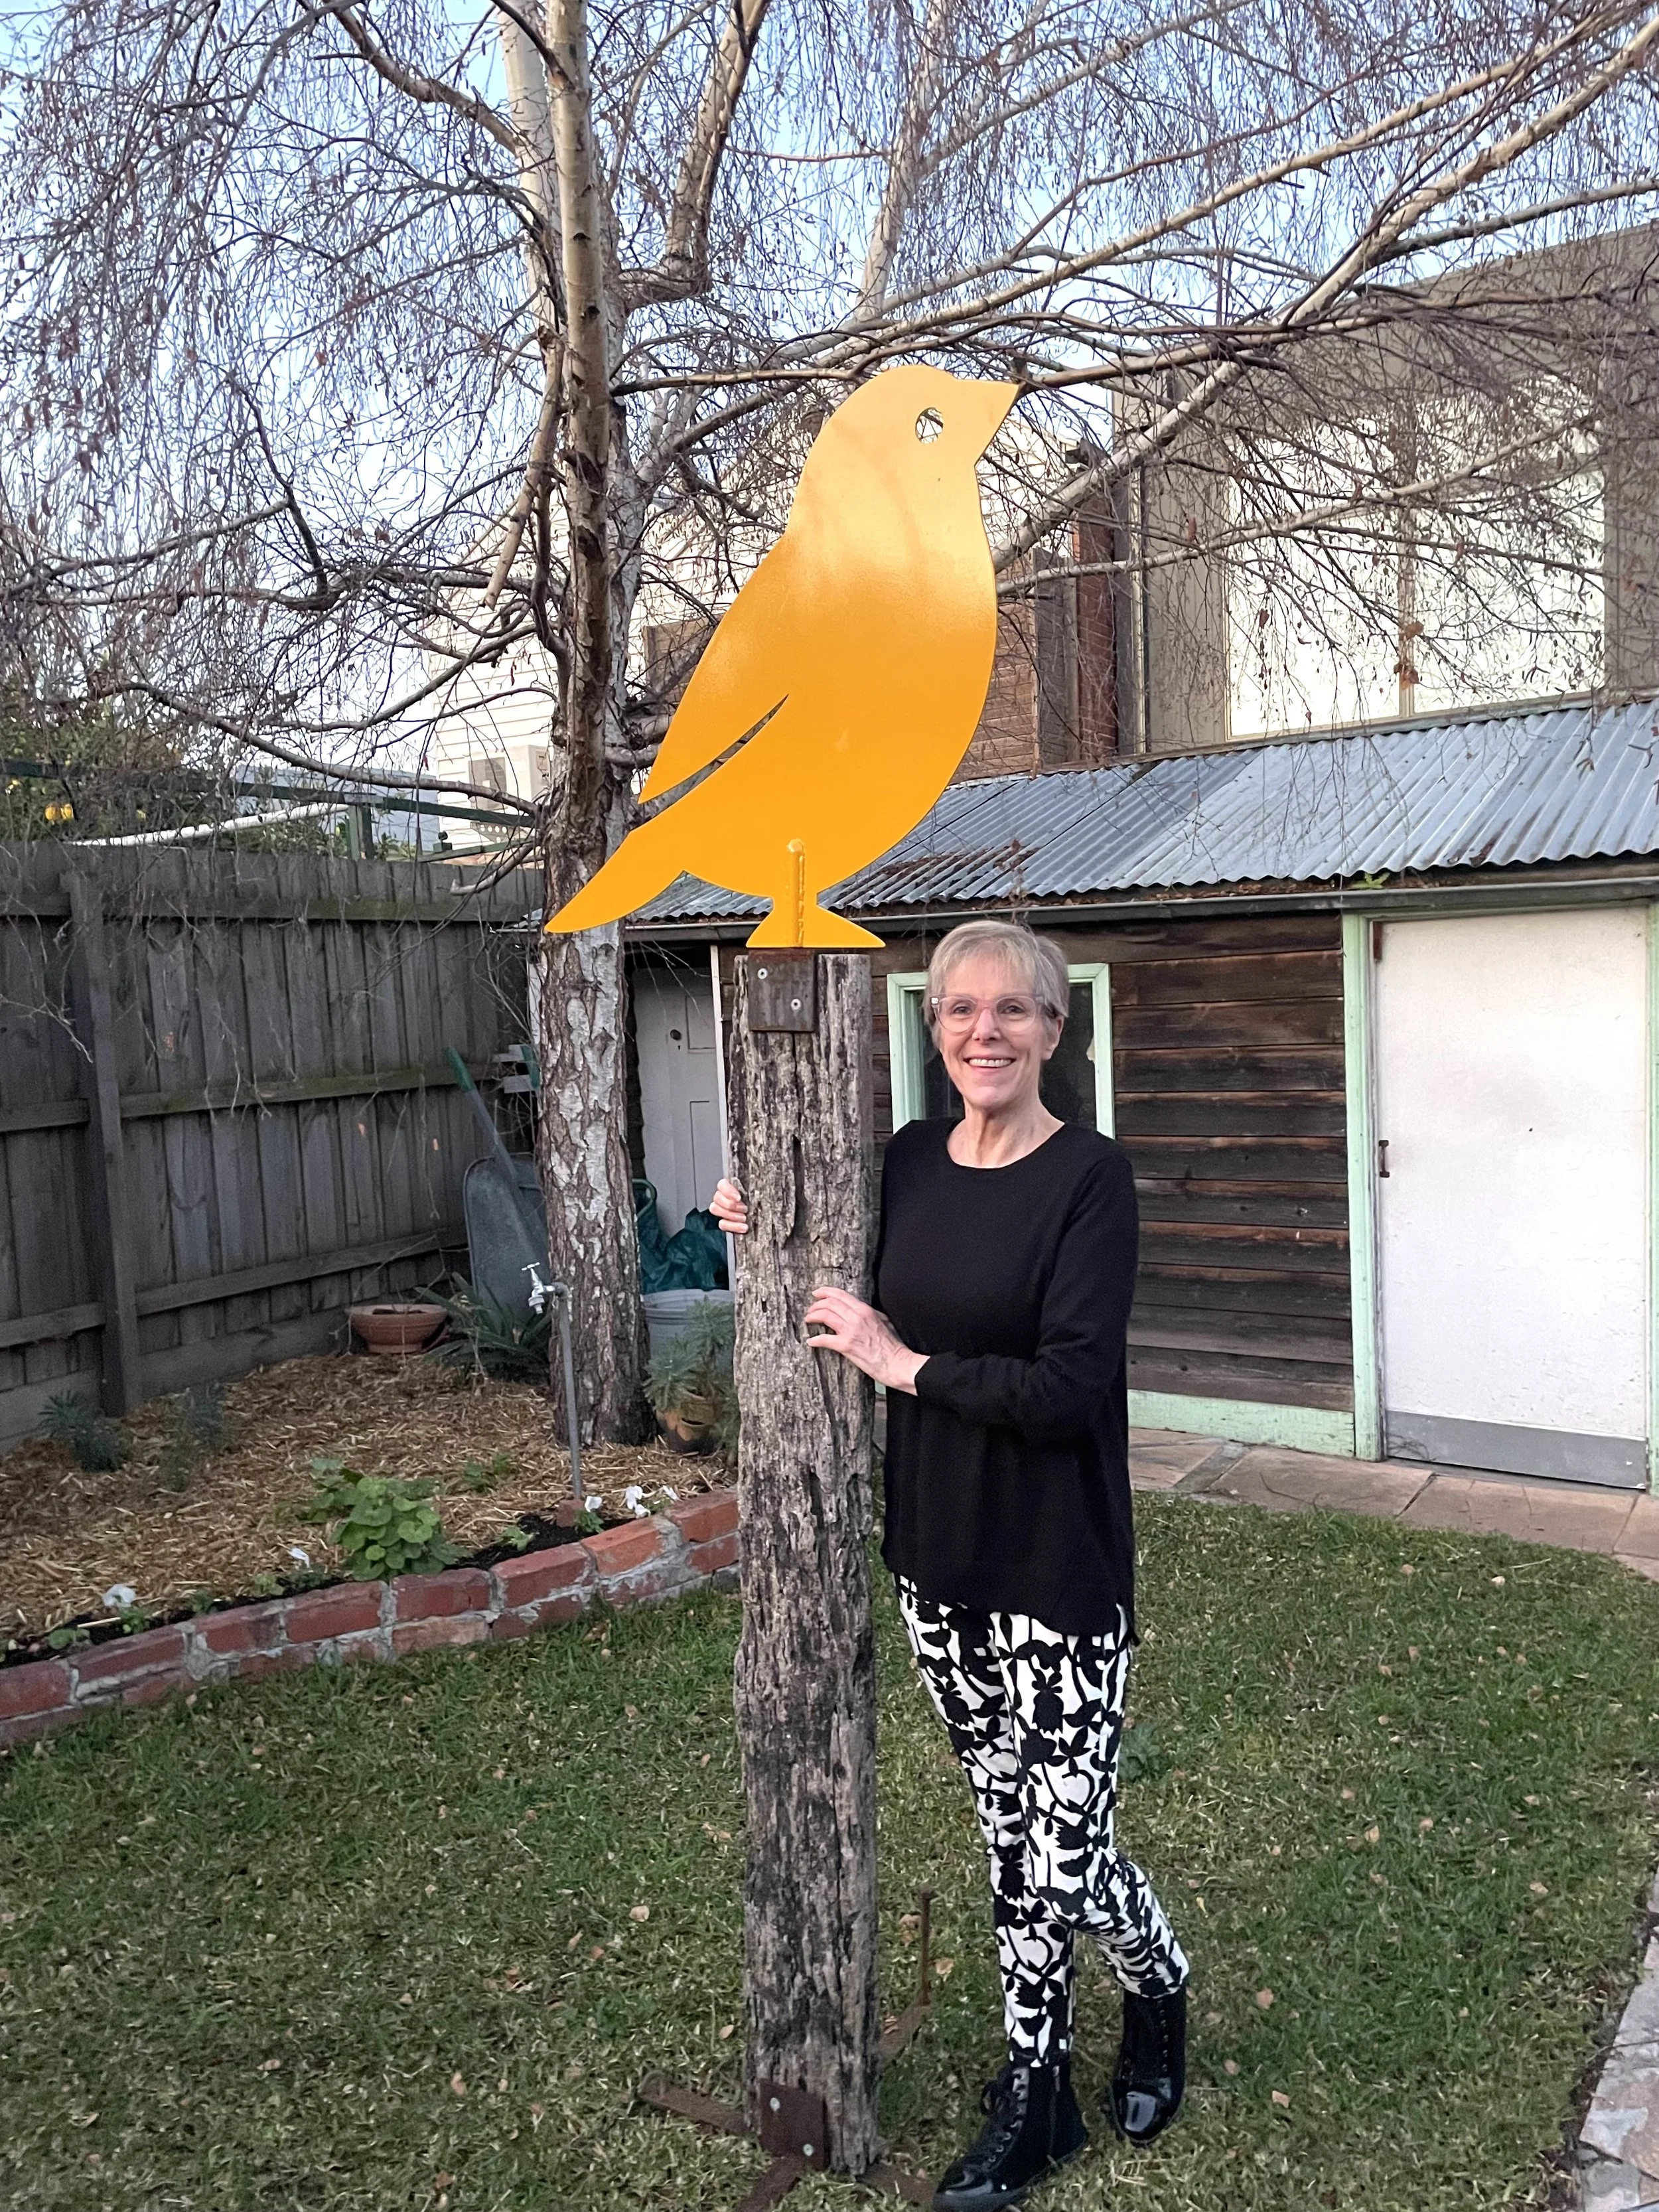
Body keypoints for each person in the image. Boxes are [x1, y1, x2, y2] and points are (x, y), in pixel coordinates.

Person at [711, 917, 1189, 2211]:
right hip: (936, 1559)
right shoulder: (908, 1162)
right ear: (933, 1032)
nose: (985, 1030)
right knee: (1015, 1835)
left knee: (1057, 1851)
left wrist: (900, 1364)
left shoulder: (1090, 1179)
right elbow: (830, 1275)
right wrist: (752, 1219)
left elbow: (1067, 1381)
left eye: (1012, 1010)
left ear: (1052, 1028)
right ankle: (1097, 2029)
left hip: (1059, 1569)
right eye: (958, 1010)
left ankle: (1079, 2061)